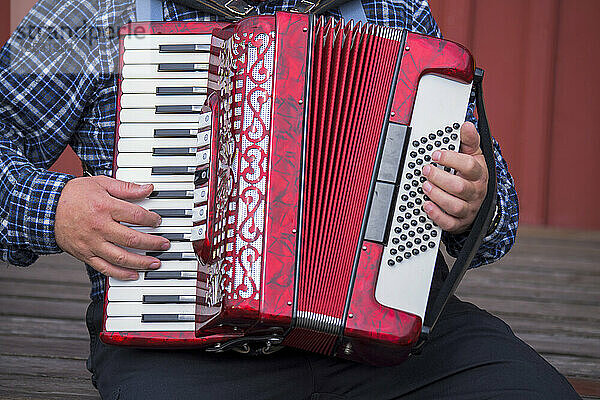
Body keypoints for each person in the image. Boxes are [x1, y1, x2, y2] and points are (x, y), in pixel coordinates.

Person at [0, 0, 580, 398]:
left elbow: (492, 222)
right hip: (182, 349)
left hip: (385, 335)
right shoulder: (93, 12)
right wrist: (57, 210)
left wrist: (473, 200)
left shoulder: (386, 6)